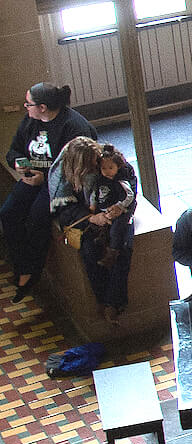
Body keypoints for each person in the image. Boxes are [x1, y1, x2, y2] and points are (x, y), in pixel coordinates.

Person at [2, 81, 97, 296]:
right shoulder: (30, 120)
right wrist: (18, 163)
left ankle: (32, 270)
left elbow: (78, 170)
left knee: (38, 216)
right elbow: (14, 150)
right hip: (33, 177)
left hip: (60, 183)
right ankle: (22, 265)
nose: (25, 107)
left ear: (43, 107)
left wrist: (44, 179)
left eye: (28, 104)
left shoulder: (74, 127)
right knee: (8, 213)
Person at [49, 136, 139, 318]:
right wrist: (92, 218)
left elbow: (129, 181)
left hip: (117, 211)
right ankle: (103, 299)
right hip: (88, 216)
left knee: (122, 248)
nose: (95, 168)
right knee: (90, 251)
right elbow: (64, 210)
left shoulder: (109, 158)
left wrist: (120, 208)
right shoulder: (62, 177)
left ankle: (115, 302)